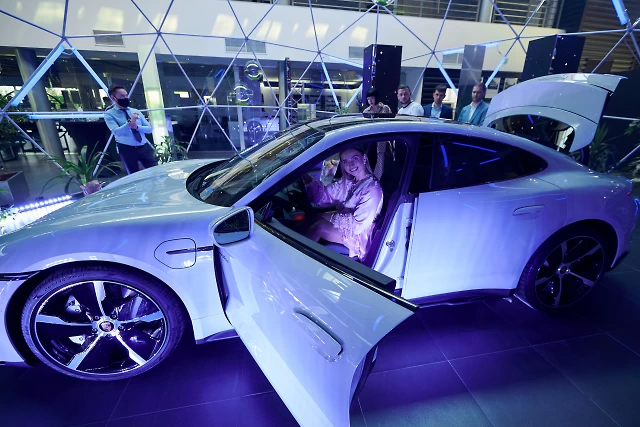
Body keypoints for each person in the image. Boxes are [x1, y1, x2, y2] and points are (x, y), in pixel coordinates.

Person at [303, 147, 383, 261]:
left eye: (355, 158)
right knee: (312, 218)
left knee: (319, 226)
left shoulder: (372, 189)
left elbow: (357, 226)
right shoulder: (349, 182)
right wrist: (306, 178)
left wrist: (331, 216)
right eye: (345, 161)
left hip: (359, 236)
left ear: (364, 159)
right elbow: (324, 195)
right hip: (348, 226)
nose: (350, 164)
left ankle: (296, 258)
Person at [104, 85, 157, 174]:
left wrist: (137, 127)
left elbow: (149, 129)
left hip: (143, 147)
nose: (125, 98)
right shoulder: (109, 114)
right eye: (122, 96)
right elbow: (117, 132)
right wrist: (129, 124)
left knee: (155, 171)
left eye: (126, 95)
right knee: (133, 175)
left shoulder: (135, 111)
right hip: (126, 149)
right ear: (113, 98)